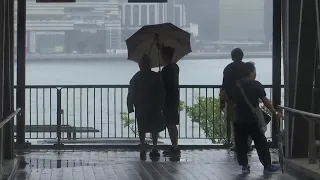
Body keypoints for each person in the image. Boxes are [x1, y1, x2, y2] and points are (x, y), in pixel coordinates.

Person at [234, 62, 282, 173]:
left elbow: (227, 97)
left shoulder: (237, 84)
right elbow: (265, 101)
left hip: (239, 117)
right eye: (255, 71)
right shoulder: (255, 84)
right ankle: (267, 166)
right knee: (260, 142)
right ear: (251, 72)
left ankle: (244, 166)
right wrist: (275, 112)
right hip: (252, 118)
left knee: (241, 143)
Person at [127, 54, 166, 160]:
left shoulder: (136, 77)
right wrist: (161, 105)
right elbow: (162, 92)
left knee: (142, 127)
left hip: (141, 106)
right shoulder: (156, 77)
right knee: (154, 128)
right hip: (154, 106)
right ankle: (154, 147)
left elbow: (131, 92)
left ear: (140, 65)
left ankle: (143, 146)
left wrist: (130, 106)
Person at [220, 48, 253, 152]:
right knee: (247, 122)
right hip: (246, 99)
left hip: (231, 99)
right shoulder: (247, 68)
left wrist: (222, 100)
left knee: (234, 123)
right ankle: (248, 144)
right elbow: (251, 82)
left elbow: (224, 85)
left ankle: (235, 143)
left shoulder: (228, 68)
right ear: (242, 56)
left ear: (232, 57)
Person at [158, 44, 181, 157]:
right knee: (172, 124)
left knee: (170, 124)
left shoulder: (166, 70)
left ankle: (175, 147)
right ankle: (175, 146)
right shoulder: (175, 67)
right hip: (174, 99)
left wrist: (160, 76)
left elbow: (163, 85)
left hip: (167, 99)